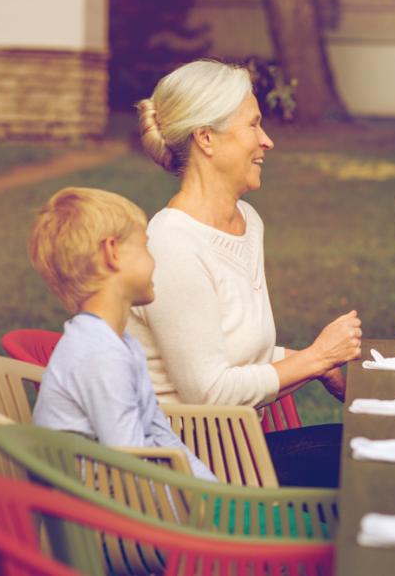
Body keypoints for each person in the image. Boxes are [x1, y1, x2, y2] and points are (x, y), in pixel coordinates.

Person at [127, 59, 362, 488]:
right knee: (373, 462)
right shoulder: (173, 245)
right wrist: (317, 357)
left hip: (235, 453)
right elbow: (208, 393)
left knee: (373, 450)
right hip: (187, 477)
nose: (267, 141)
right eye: (254, 126)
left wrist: (311, 364)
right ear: (206, 139)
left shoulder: (247, 221)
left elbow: (236, 354)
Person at [29, 187, 216, 482]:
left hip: (145, 503)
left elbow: (161, 436)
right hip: (102, 518)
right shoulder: (99, 356)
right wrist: (201, 507)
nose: (155, 261)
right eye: (145, 247)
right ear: (112, 253)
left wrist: (212, 491)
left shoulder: (121, 342)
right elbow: (133, 467)